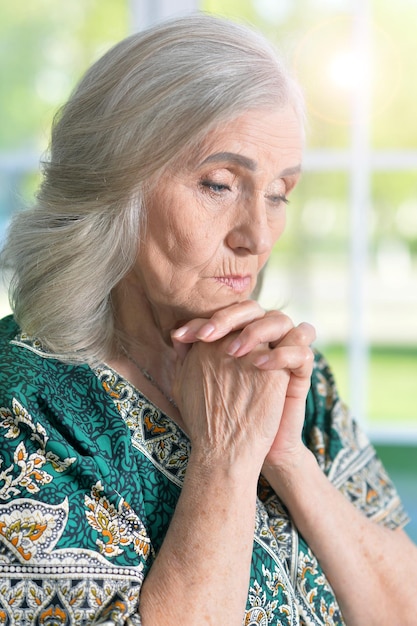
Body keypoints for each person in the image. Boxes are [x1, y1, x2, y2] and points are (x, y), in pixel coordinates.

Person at [0, 13, 415, 626]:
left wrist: (289, 460)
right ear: (116, 187)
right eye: (220, 184)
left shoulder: (290, 374)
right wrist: (225, 456)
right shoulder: (24, 411)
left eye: (278, 193)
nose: (257, 235)